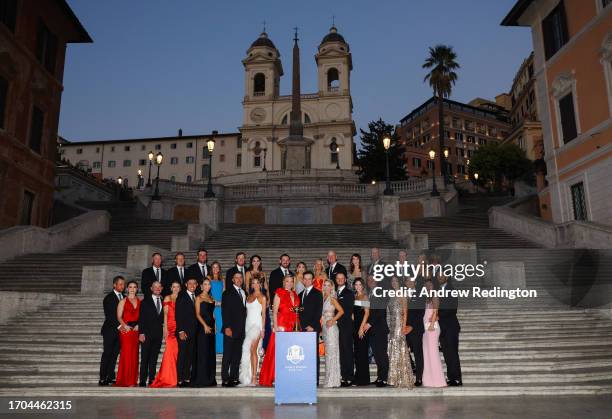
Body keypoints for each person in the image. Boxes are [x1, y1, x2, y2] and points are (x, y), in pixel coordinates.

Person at [259, 275, 299, 386]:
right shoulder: (279, 293)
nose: (289, 283)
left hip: (292, 326)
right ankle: (275, 377)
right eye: (287, 281)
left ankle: (286, 376)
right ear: (283, 282)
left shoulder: (295, 294)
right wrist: (276, 327)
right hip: (281, 325)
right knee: (278, 352)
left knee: (288, 353)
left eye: (291, 281)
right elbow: (275, 311)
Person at [150, 280, 181, 388]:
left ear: (180, 288)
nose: (176, 288)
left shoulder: (181, 298)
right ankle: (167, 378)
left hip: (179, 328)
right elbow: (165, 315)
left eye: (177, 287)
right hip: (170, 328)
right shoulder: (168, 298)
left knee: (176, 354)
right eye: (174, 286)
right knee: (169, 353)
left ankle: (174, 377)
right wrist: (165, 329)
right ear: (171, 288)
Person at [387, 277, 415, 388]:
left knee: (400, 350)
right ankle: (395, 378)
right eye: (392, 281)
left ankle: (403, 378)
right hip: (392, 326)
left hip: (399, 325)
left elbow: (405, 311)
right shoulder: (390, 295)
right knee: (394, 351)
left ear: (399, 282)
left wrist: (404, 326)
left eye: (396, 281)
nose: (394, 283)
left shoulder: (403, 294)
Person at [239, 276, 267, 386]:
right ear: (251, 285)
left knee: (253, 350)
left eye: (257, 283)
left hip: (257, 326)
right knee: (248, 351)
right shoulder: (248, 296)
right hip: (248, 325)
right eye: (253, 283)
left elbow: (264, 315)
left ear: (260, 284)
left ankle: (254, 378)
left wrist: (263, 329)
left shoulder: (262, 297)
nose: (255, 285)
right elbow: (247, 313)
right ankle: (247, 376)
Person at [221, 272, 247, 387]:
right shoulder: (227, 292)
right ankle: (225, 378)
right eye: (236, 277)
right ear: (232, 280)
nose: (239, 279)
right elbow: (224, 310)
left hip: (241, 329)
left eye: (240, 277)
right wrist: (227, 326)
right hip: (230, 328)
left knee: (237, 355)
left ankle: (234, 377)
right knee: (227, 355)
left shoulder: (244, 292)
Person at [437, 271, 462, 386]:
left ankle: (457, 378)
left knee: (453, 353)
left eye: (442, 275)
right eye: (438, 276)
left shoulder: (452, 290)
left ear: (447, 276)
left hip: (451, 327)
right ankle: (451, 377)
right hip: (442, 328)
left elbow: (452, 309)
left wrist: (437, 314)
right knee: (447, 354)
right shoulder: (437, 290)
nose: (440, 277)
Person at [99, 276, 125, 386]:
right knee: (107, 354)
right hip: (110, 331)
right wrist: (120, 326)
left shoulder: (124, 297)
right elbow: (110, 316)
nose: (122, 286)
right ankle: (102, 378)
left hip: (119, 332)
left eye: (123, 284)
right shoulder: (109, 298)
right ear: (114, 285)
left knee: (114, 355)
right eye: (120, 284)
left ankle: (110, 376)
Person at [114, 280, 140, 387]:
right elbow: (119, 317)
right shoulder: (123, 301)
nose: (132, 289)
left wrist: (140, 325)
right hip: (126, 331)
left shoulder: (140, 301)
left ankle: (132, 380)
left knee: (134, 355)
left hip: (136, 331)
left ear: (137, 289)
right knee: (127, 354)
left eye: (134, 287)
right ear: (127, 289)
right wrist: (125, 326)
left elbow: (143, 317)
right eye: (130, 287)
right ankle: (126, 380)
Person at [406, 254, 427, 387]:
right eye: (407, 281)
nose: (409, 283)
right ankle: (411, 369)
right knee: (404, 351)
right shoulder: (403, 295)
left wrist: (411, 326)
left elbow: (420, 313)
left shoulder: (419, 294)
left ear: (414, 282)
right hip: (404, 328)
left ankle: (419, 377)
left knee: (418, 353)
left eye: (411, 281)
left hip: (415, 328)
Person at [365, 274, 390, 387]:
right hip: (373, 330)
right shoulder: (369, 294)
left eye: (372, 280)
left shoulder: (379, 292)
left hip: (380, 329)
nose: (370, 281)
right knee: (377, 354)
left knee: (382, 354)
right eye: (369, 280)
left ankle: (384, 378)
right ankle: (380, 377)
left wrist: (369, 323)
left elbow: (380, 311)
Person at [138, 281, 164, 387]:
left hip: (158, 334)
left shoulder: (163, 301)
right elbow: (141, 318)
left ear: (161, 288)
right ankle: (143, 380)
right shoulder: (145, 302)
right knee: (145, 358)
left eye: (159, 287)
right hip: (146, 334)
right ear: (151, 288)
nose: (157, 288)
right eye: (155, 287)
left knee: (154, 358)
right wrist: (141, 333)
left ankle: (152, 378)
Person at [299, 271, 323, 385]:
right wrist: (302, 326)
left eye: (309, 279)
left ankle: (315, 380)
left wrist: (312, 326)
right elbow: (299, 313)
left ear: (313, 280)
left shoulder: (318, 293)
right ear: (303, 280)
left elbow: (318, 312)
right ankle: (306, 378)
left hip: (313, 328)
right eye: (305, 279)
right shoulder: (300, 294)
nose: (307, 281)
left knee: (313, 354)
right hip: (303, 329)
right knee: (304, 354)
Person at [422, 278, 446, 388]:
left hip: (432, 327)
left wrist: (432, 324)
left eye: (430, 284)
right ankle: (429, 380)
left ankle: (438, 381)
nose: (428, 286)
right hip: (426, 328)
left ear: (434, 285)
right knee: (427, 354)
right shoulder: (427, 297)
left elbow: (436, 310)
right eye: (426, 285)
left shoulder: (435, 295)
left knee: (433, 354)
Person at [193, 278, 217, 387]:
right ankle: (201, 379)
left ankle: (210, 378)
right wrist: (205, 326)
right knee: (203, 352)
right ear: (202, 286)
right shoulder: (198, 298)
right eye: (205, 284)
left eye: (209, 284)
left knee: (210, 353)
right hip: (202, 328)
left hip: (211, 328)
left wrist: (215, 326)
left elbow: (212, 314)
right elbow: (197, 314)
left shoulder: (211, 298)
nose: (207, 286)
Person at [321, 278, 344, 388]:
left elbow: (341, 311)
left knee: (332, 354)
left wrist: (333, 320)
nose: (326, 287)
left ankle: (333, 380)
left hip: (331, 328)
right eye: (324, 285)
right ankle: (329, 379)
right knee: (328, 354)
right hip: (325, 327)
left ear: (332, 287)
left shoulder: (332, 298)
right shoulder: (323, 298)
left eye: (328, 285)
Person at [175, 278, 198, 387]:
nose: (192, 285)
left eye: (194, 283)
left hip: (194, 332)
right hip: (183, 331)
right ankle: (179, 378)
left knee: (189, 355)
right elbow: (178, 314)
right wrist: (180, 331)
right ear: (186, 284)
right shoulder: (182, 296)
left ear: (197, 285)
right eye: (190, 283)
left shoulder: (197, 297)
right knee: (182, 355)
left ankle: (186, 377)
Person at [335, 272, 355, 386]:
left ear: (345, 280)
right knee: (341, 352)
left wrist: (336, 320)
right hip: (336, 326)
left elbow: (348, 311)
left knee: (347, 351)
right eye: (338, 278)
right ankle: (343, 376)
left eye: (342, 278)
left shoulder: (348, 293)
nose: (340, 280)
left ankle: (350, 377)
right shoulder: (334, 292)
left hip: (346, 326)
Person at [353, 278, 371, 386]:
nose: (358, 286)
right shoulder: (355, 297)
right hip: (355, 327)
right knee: (358, 353)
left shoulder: (364, 296)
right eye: (356, 284)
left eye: (360, 284)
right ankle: (359, 377)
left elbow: (367, 313)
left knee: (362, 353)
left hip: (362, 327)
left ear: (363, 286)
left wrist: (361, 328)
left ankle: (363, 380)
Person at [209, 261, 224, 354]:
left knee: (221, 326)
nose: (215, 269)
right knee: (215, 327)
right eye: (213, 267)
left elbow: (224, 293)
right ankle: (213, 348)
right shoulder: (208, 279)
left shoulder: (223, 280)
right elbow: (206, 294)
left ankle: (221, 348)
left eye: (217, 267)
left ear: (219, 269)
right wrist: (213, 303)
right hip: (212, 306)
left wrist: (222, 303)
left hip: (221, 307)